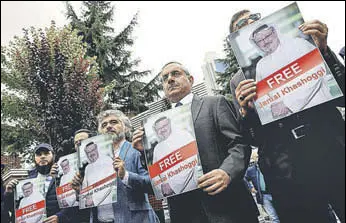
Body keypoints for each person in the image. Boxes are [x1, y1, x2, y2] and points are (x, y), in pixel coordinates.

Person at [229, 10, 345, 223]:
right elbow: (253, 137)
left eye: (254, 19)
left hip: (332, 147)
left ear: (274, 30)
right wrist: (247, 113)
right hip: (289, 171)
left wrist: (325, 52)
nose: (265, 41)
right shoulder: (241, 80)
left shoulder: (304, 46)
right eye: (242, 25)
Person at [132, 62, 259, 223]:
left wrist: (227, 172)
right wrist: (145, 152)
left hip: (229, 207)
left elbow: (239, 144)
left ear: (190, 80)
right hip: (186, 213)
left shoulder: (214, 103)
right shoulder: (155, 128)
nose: (170, 79)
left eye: (176, 74)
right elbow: (160, 175)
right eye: (165, 78)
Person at [72, 110, 158, 223]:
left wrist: (126, 176)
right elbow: (89, 200)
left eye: (113, 122)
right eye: (104, 125)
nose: (108, 126)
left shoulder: (137, 149)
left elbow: (154, 185)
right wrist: (80, 191)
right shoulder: (93, 162)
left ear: (126, 127)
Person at [250, 23, 334, 120]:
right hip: (290, 121)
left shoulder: (298, 44)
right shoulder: (261, 65)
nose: (265, 42)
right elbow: (261, 95)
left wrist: (287, 104)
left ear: (274, 32)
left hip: (322, 112)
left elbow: (316, 75)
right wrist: (270, 107)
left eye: (267, 36)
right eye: (260, 41)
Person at [4, 143, 74, 223]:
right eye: (39, 154)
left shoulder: (62, 175)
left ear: (53, 155)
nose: (42, 156)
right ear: (35, 158)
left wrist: (60, 217)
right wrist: (8, 193)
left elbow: (73, 202)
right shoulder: (26, 182)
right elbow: (12, 209)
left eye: (46, 153)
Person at [151, 116, 198, 197]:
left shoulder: (184, 136)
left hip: (189, 189)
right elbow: (155, 173)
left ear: (170, 124)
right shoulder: (157, 148)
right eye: (159, 129)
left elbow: (191, 163)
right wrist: (161, 187)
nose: (162, 130)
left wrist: (172, 186)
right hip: (169, 195)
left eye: (164, 126)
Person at [244, 149, 280, 223]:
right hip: (264, 196)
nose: (258, 158)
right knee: (274, 218)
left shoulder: (270, 165)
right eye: (256, 157)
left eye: (258, 156)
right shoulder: (251, 170)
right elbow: (244, 178)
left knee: (283, 214)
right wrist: (251, 188)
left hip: (275, 193)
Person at [80, 141, 116, 208]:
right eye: (88, 152)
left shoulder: (107, 160)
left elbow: (110, 184)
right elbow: (85, 187)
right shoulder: (88, 168)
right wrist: (85, 200)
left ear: (97, 149)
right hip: (94, 209)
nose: (91, 153)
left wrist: (93, 200)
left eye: (93, 150)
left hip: (109, 206)